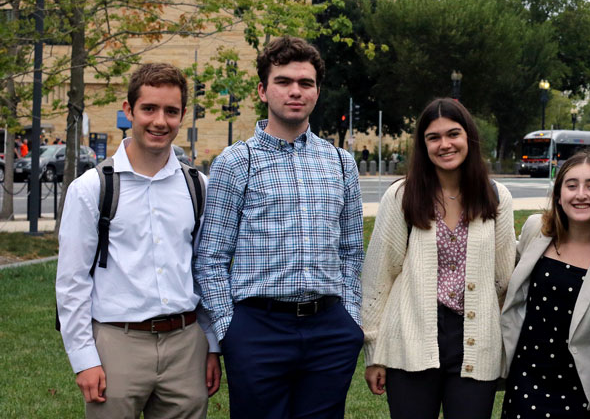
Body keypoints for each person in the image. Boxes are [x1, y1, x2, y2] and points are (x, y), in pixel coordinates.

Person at [194, 36, 364, 419]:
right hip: (258, 328)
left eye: (306, 83)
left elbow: (353, 251)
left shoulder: (340, 163)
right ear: (262, 90)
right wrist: (229, 329)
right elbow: (211, 256)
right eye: (284, 81)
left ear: (317, 91)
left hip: (329, 329)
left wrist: (351, 318)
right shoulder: (236, 162)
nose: (295, 91)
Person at [56, 63, 221, 418]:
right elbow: (71, 283)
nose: (160, 121)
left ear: (182, 116)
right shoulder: (92, 188)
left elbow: (205, 270)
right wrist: (84, 359)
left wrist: (210, 346)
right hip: (117, 344)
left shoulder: (198, 187)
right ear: (129, 110)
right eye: (149, 108)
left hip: (185, 344)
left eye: (171, 111)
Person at [361, 97, 516, 419]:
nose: (445, 144)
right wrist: (374, 352)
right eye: (434, 137)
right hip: (412, 339)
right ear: (423, 145)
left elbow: (505, 280)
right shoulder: (402, 196)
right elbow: (379, 276)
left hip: (476, 342)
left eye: (453, 134)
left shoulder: (497, 197)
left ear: (468, 138)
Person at [500, 151, 590, 419]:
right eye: (571, 185)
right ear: (559, 194)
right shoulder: (535, 230)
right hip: (525, 377)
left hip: (577, 386)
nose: (581, 195)